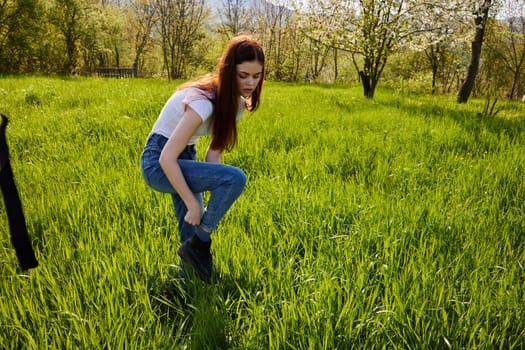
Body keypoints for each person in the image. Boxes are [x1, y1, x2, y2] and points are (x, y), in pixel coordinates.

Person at [140, 35, 265, 284]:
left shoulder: (236, 105)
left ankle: (188, 286)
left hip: (185, 156)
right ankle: (202, 243)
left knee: (190, 226)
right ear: (230, 72)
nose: (251, 82)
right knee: (235, 178)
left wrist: (208, 200)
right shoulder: (203, 102)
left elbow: (214, 153)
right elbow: (166, 158)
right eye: (243, 75)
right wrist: (196, 203)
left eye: (257, 75)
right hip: (158, 162)